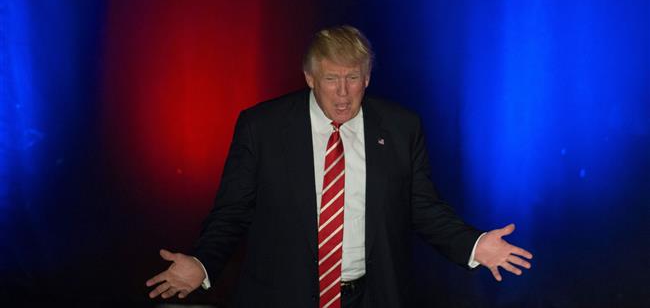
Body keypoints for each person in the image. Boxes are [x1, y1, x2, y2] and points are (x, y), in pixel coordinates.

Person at [146, 26, 533, 307]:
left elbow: (421, 207)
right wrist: (203, 261)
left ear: (367, 77)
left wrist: (474, 244)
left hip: (371, 296)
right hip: (281, 296)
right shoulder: (261, 127)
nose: (343, 93)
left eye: (353, 78)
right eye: (331, 79)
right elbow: (233, 212)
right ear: (310, 77)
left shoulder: (400, 128)